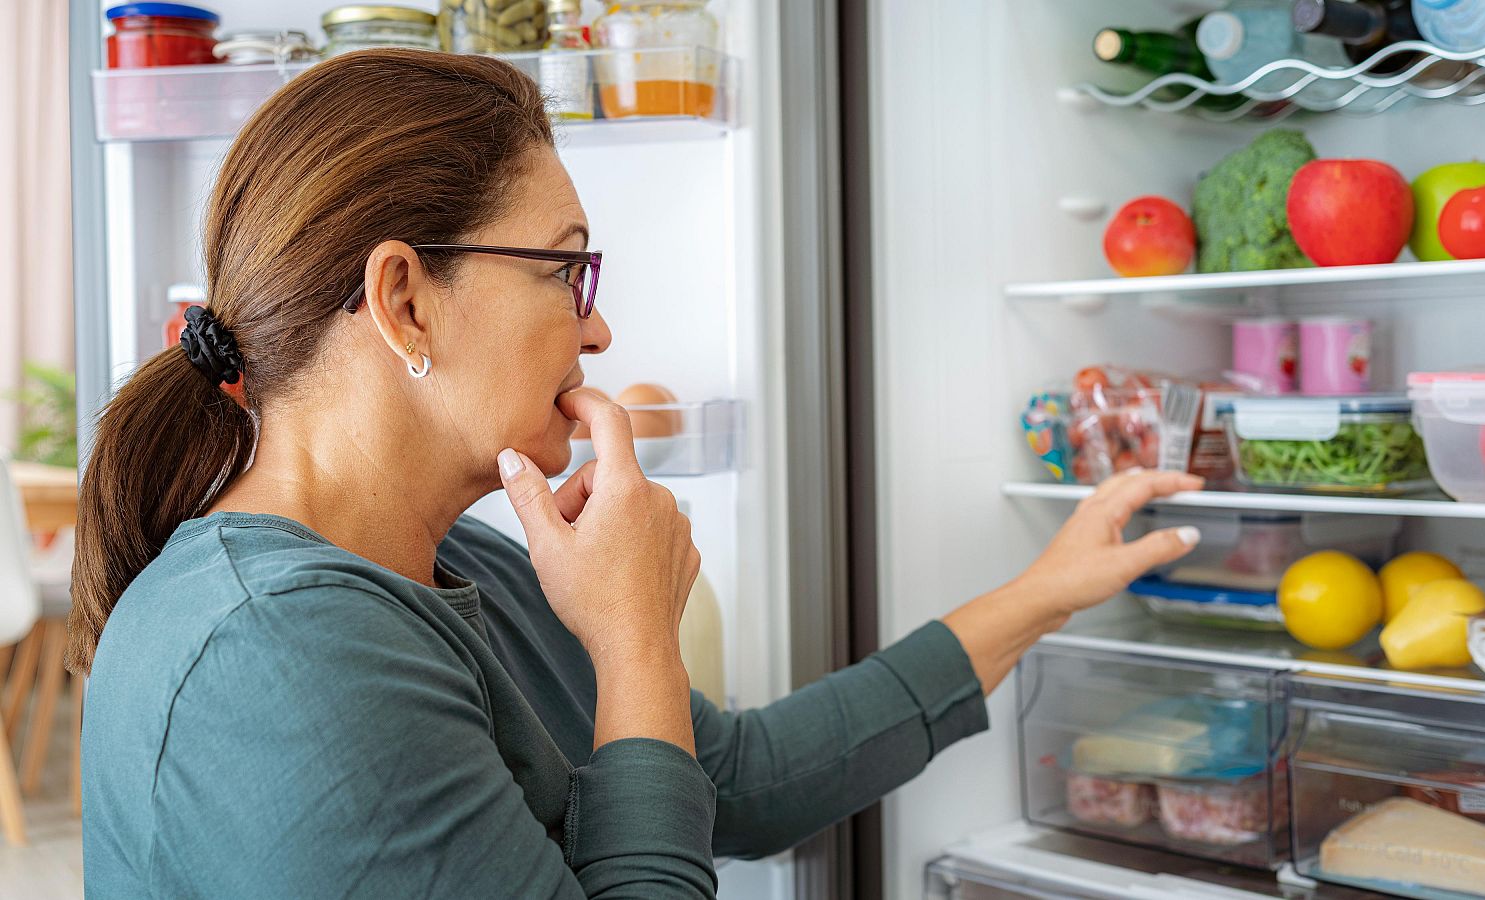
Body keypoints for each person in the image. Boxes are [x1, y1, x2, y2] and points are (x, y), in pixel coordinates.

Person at [70, 49, 1202, 899]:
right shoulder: (279, 658)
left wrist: (1045, 589)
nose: (598, 329)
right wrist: (633, 641)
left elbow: (737, 780)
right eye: (564, 272)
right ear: (404, 298)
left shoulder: (449, 559)